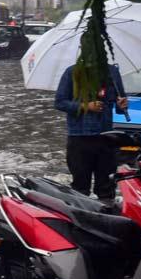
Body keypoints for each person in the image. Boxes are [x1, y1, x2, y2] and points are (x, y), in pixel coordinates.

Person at [54, 64, 128, 200]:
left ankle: (108, 216)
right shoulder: (72, 72)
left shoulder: (112, 72)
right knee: (80, 187)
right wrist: (85, 106)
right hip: (79, 137)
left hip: (106, 137)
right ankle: (82, 216)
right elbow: (59, 102)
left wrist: (122, 105)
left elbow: (119, 104)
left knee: (107, 186)